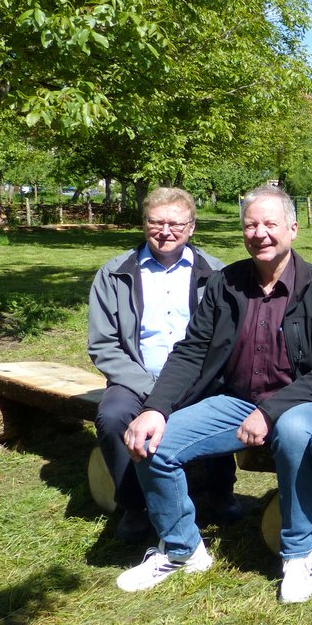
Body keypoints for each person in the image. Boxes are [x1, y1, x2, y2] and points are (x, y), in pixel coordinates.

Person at [115, 186, 312, 604]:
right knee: (153, 443)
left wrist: (273, 410)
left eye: (270, 224)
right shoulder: (227, 283)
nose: (260, 233)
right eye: (250, 225)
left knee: (295, 432)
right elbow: (190, 350)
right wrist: (155, 408)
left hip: (302, 402)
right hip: (237, 400)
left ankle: (297, 555)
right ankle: (182, 547)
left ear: (293, 229)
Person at [88, 187, 238, 542]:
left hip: (199, 378)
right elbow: (103, 344)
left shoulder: (217, 274)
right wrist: (148, 387)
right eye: (156, 222)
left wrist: (197, 380)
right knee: (112, 416)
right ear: (144, 224)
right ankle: (136, 506)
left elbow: (227, 340)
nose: (165, 231)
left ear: (192, 227)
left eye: (175, 223)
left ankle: (219, 490)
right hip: (135, 378)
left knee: (217, 402)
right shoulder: (113, 274)